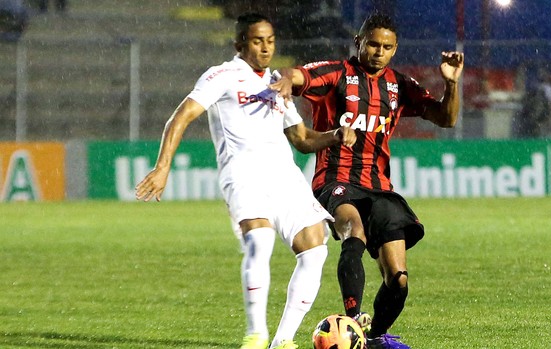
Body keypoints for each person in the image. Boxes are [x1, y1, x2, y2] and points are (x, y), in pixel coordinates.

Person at [135, 12, 355, 349]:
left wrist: (335, 135)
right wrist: (163, 166)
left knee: (315, 247)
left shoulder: (279, 81)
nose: (266, 48)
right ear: (240, 43)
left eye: (270, 40)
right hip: (243, 172)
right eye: (257, 40)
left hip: (284, 174)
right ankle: (255, 335)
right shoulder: (222, 75)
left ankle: (283, 340)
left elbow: (301, 138)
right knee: (260, 241)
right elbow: (181, 116)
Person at [271, 13, 464, 349]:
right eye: (373, 44)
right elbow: (297, 75)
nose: (379, 51)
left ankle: (374, 337)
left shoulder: (400, 85)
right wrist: (287, 80)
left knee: (398, 278)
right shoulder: (335, 73)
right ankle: (353, 320)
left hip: (379, 188)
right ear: (359, 42)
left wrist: (451, 83)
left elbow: (445, 118)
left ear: (395, 49)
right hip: (335, 181)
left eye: (387, 47)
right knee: (354, 231)